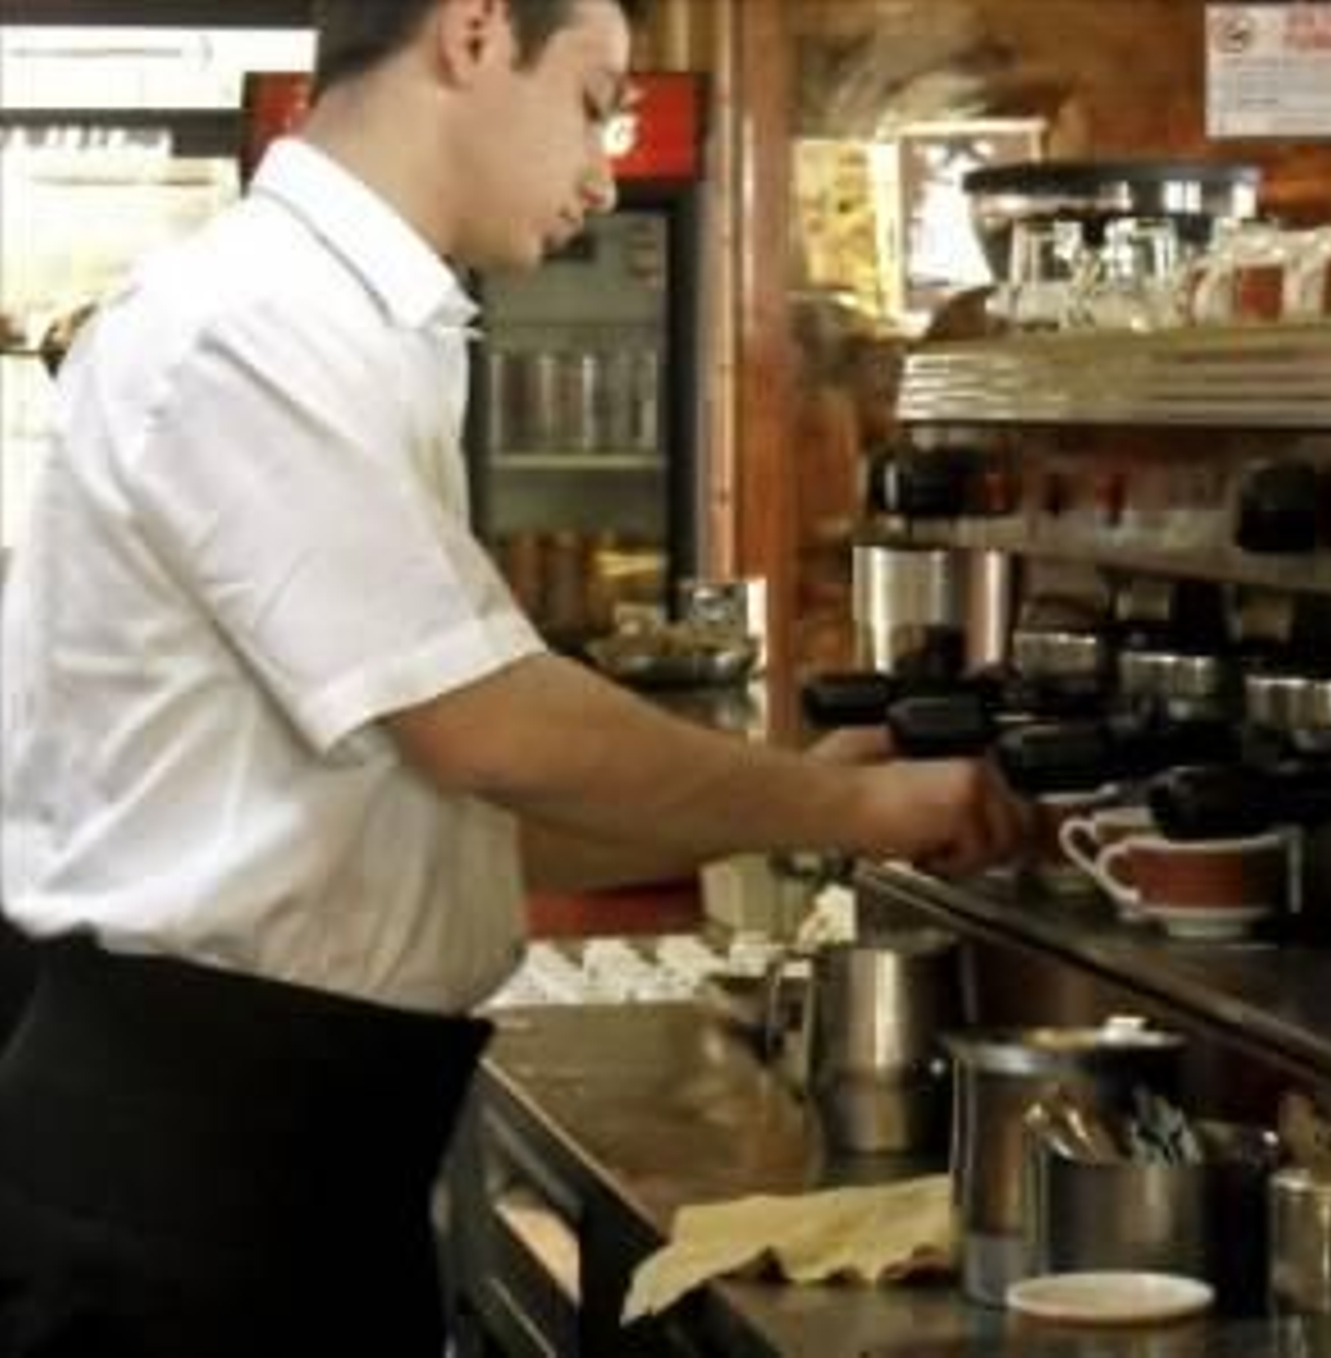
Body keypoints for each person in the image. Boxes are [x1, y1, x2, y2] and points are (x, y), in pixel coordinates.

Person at [0, 2, 1027, 1355]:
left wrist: (790, 799)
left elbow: (446, 802)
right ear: (475, 32)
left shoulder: (362, 332)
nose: (606, 168)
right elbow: (485, 728)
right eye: (596, 100)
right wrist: (860, 814)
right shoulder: (246, 327)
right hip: (182, 1171)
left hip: (297, 1149)